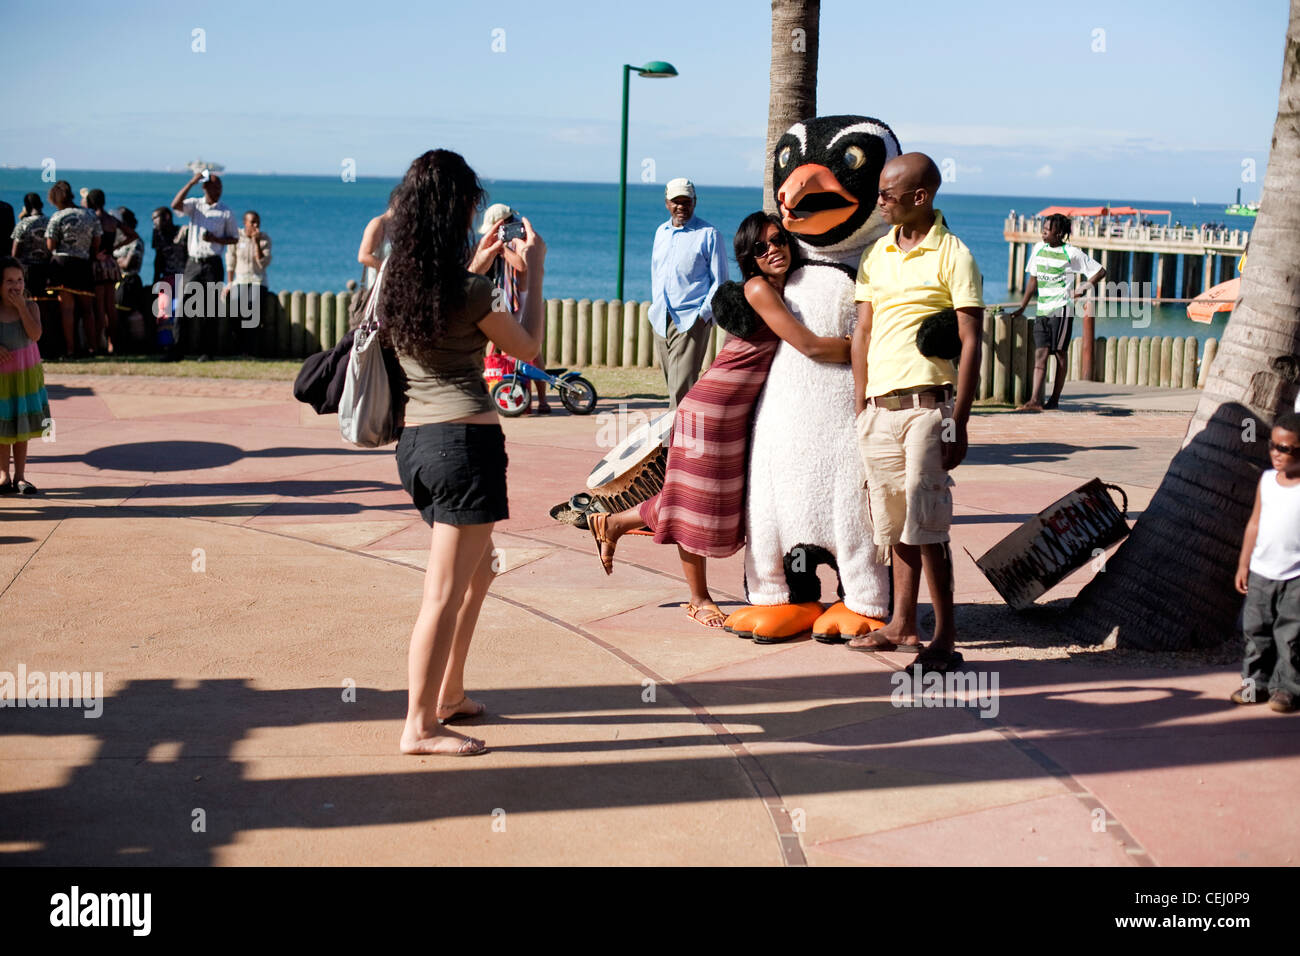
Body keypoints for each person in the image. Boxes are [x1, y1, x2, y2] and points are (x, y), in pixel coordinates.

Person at [588, 212, 851, 627]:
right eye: (761, 247)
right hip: (709, 411)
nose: (774, 250)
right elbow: (811, 347)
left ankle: (614, 522)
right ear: (750, 258)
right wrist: (866, 347)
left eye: (778, 240)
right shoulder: (760, 289)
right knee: (694, 506)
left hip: (732, 416)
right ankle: (698, 598)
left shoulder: (788, 286)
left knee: (708, 501)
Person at [383, 149, 547, 756]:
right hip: (464, 446)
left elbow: (447, 307)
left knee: (479, 571)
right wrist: (533, 274)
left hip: (419, 445)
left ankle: (449, 693)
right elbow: (528, 347)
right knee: (444, 593)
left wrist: (481, 264)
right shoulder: (469, 290)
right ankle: (419, 725)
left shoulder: (399, 282)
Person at [848, 153, 983, 672]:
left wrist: (960, 420)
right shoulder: (876, 253)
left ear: (919, 197)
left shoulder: (954, 255)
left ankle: (945, 640)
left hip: (929, 409)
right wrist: (861, 402)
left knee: (929, 527)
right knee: (894, 524)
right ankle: (902, 625)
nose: (878, 201)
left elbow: (971, 342)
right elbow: (862, 330)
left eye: (887, 194)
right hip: (879, 412)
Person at [1232, 412, 1300, 713]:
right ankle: (1254, 685)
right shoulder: (1267, 480)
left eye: (1285, 449)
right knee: (1256, 631)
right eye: (1273, 445)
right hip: (1261, 571)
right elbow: (1254, 524)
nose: (1276, 453)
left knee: (1291, 636)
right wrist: (1244, 563)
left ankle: (1287, 689)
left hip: (1296, 576)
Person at [1007, 213, 1105, 411]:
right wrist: (1023, 307)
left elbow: (1100, 271)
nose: (1043, 232)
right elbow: (1032, 280)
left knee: (1060, 354)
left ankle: (1054, 399)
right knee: (1040, 353)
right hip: (1042, 311)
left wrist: (1083, 288)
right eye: (1043, 228)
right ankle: (1035, 400)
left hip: (1062, 311)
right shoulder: (1038, 248)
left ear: (1059, 233)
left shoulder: (1072, 252)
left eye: (1047, 229)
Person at [650, 178, 728, 409]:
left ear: (695, 202)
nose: (681, 206)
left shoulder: (709, 234)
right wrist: (655, 307)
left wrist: (703, 316)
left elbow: (720, 281)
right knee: (673, 386)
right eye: (676, 201)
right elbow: (656, 273)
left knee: (681, 391)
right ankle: (681, 439)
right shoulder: (660, 232)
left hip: (690, 320)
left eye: (686, 201)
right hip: (661, 319)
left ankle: (674, 443)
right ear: (666, 203)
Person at [476, 203, 550, 413]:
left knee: (531, 350)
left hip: (523, 297)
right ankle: (502, 387)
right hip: (503, 295)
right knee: (499, 343)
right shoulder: (502, 242)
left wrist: (502, 250)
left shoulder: (520, 239)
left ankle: (543, 399)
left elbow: (523, 265)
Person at [170, 171, 238, 358]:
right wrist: (191, 182)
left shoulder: (225, 212)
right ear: (205, 187)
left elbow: (234, 239)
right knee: (183, 304)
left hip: (212, 262)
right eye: (215, 187)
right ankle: (178, 348)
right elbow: (175, 205)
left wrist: (216, 239)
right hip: (193, 261)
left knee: (210, 309)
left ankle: (207, 351)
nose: (218, 191)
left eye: (220, 188)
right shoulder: (195, 205)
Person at [0, 257, 49, 496]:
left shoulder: (30, 307)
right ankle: (3, 475)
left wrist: (20, 307)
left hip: (24, 378)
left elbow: (35, 334)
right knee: (2, 428)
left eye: (19, 280)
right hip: (2, 381)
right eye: (9, 281)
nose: (15, 286)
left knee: (20, 427)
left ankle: (20, 476)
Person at [44, 180, 100, 359]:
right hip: (83, 263)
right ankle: (93, 348)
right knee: (87, 309)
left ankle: (70, 350)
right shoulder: (90, 215)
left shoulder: (57, 217)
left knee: (67, 309)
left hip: (62, 263)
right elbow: (96, 241)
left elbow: (50, 245)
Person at [225, 210, 273, 355]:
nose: (255, 225)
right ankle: (236, 348)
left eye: (257, 222)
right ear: (245, 223)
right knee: (235, 311)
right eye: (252, 222)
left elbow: (263, 264)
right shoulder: (236, 237)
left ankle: (250, 350)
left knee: (252, 312)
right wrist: (229, 282)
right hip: (240, 281)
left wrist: (256, 242)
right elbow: (230, 260)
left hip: (257, 281)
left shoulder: (265, 239)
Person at [84, 189, 121, 353]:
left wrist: (94, 254)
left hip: (98, 265)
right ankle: (114, 343)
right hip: (111, 263)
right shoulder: (111, 219)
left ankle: (99, 344)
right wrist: (114, 247)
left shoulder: (93, 219)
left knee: (99, 308)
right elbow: (132, 234)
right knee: (111, 308)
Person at [150, 207, 187, 357]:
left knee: (178, 311)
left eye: (156, 219)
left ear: (167, 217)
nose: (154, 223)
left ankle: (179, 344)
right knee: (163, 313)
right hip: (166, 278)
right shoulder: (157, 234)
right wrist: (155, 280)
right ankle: (165, 345)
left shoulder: (183, 233)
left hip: (182, 277)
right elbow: (158, 258)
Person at [11, 193, 50, 302]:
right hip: (46, 268)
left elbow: (15, 253)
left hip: (28, 270)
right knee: (44, 303)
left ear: (27, 207)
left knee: (27, 302)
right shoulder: (51, 221)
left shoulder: (23, 224)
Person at [357, 207, 392, 289]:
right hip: (377, 289)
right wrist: (390, 271)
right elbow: (363, 257)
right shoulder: (378, 223)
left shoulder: (405, 227)